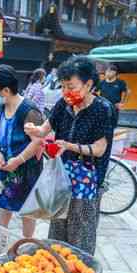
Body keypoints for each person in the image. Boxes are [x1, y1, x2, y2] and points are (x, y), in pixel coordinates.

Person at [24, 56, 115, 255]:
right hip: (62, 175)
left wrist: (70, 146)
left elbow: (99, 149)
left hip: (87, 178)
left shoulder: (103, 109)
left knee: (81, 228)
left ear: (89, 84)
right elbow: (44, 130)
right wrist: (33, 129)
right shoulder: (62, 105)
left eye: (71, 86)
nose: (66, 92)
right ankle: (56, 263)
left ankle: (80, 272)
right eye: (63, 86)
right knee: (58, 223)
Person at [0, 65, 45, 238]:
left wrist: (18, 160)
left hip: (26, 170)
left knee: (28, 211)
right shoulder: (2, 107)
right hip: (5, 168)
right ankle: (1, 239)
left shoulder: (29, 110)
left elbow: (38, 141)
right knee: (4, 206)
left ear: (5, 90)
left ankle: (27, 243)